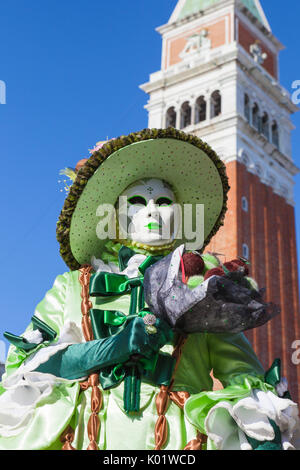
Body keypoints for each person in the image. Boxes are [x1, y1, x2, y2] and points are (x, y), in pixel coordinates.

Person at [0, 128, 299, 450]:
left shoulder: (205, 288)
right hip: (86, 437)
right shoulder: (72, 286)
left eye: (165, 202)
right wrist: (113, 347)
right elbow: (28, 367)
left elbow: (240, 372)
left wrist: (262, 428)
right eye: (139, 201)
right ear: (114, 214)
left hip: (179, 441)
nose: (153, 211)